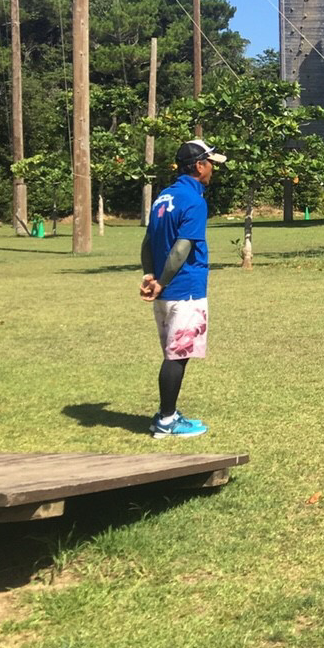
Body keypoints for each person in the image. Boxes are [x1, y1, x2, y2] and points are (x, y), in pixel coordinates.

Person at [139, 138, 226, 439]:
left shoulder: (163, 198)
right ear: (199, 165)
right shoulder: (195, 201)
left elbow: (148, 243)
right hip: (184, 289)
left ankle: (167, 414)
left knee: (173, 354)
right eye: (212, 164)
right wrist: (163, 280)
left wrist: (151, 276)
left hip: (165, 293)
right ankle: (167, 420)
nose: (213, 170)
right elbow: (182, 247)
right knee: (177, 356)